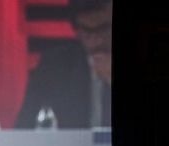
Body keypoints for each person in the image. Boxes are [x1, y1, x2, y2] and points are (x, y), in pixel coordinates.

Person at [15, 0, 113, 129]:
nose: (95, 41)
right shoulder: (54, 66)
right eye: (86, 31)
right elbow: (24, 130)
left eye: (103, 29)